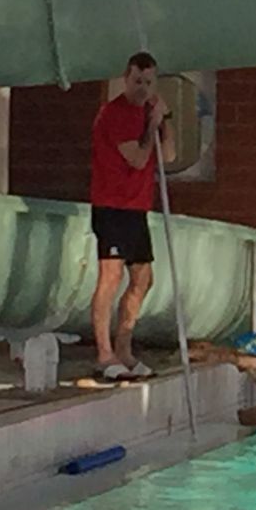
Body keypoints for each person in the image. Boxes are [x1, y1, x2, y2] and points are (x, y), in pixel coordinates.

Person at [89, 52, 175, 381]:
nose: (142, 88)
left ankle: (123, 347)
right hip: (111, 205)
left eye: (148, 82)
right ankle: (104, 353)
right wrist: (150, 125)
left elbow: (168, 155)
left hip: (137, 207)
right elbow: (138, 159)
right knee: (110, 278)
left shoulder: (148, 112)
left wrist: (163, 121)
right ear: (126, 79)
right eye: (137, 81)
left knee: (143, 279)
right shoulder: (115, 114)